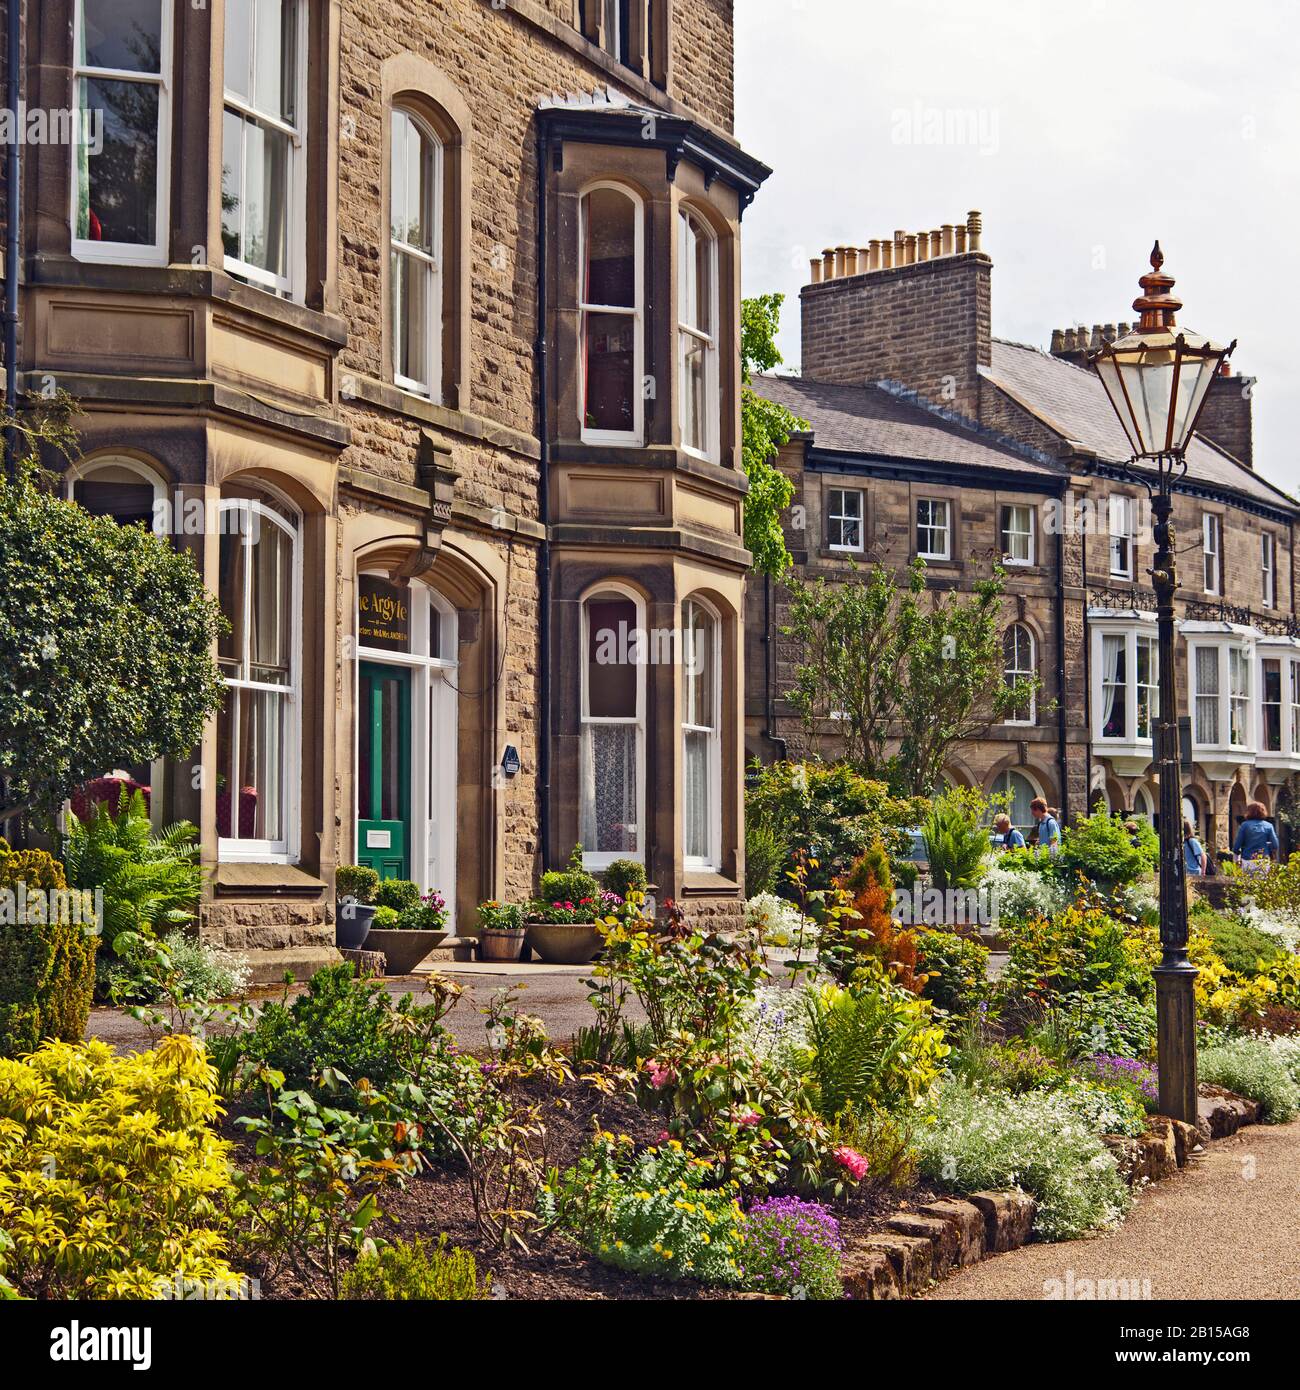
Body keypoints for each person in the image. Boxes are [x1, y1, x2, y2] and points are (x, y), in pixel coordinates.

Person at [1233, 802, 1280, 872]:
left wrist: (1236, 856)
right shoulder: (1269, 826)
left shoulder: (1244, 825)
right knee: (1262, 882)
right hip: (1263, 860)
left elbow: (1237, 846)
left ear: (1249, 812)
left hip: (1247, 859)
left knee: (1247, 882)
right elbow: (1275, 845)